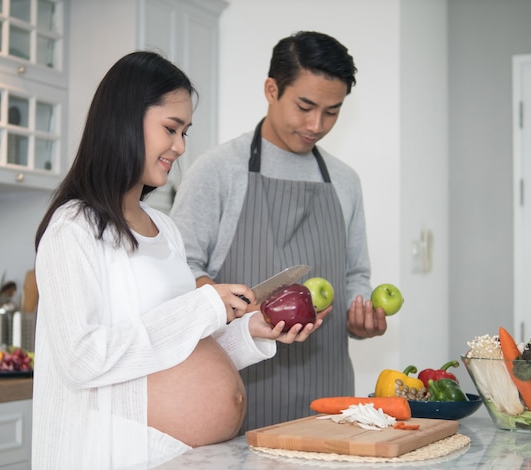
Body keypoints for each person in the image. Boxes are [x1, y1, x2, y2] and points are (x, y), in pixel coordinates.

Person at [31, 51, 321, 469]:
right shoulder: (73, 228)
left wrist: (250, 332)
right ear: (125, 120)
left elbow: (177, 350)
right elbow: (82, 359)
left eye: (185, 132)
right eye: (171, 129)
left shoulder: (164, 229)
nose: (180, 147)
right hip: (115, 457)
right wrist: (203, 307)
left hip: (185, 457)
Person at [170, 31, 388, 433]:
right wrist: (229, 306)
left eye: (332, 111)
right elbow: (180, 270)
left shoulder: (344, 181)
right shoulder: (218, 170)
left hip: (330, 394)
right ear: (272, 89)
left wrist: (360, 318)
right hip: (239, 390)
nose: (316, 125)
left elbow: (356, 273)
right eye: (305, 106)